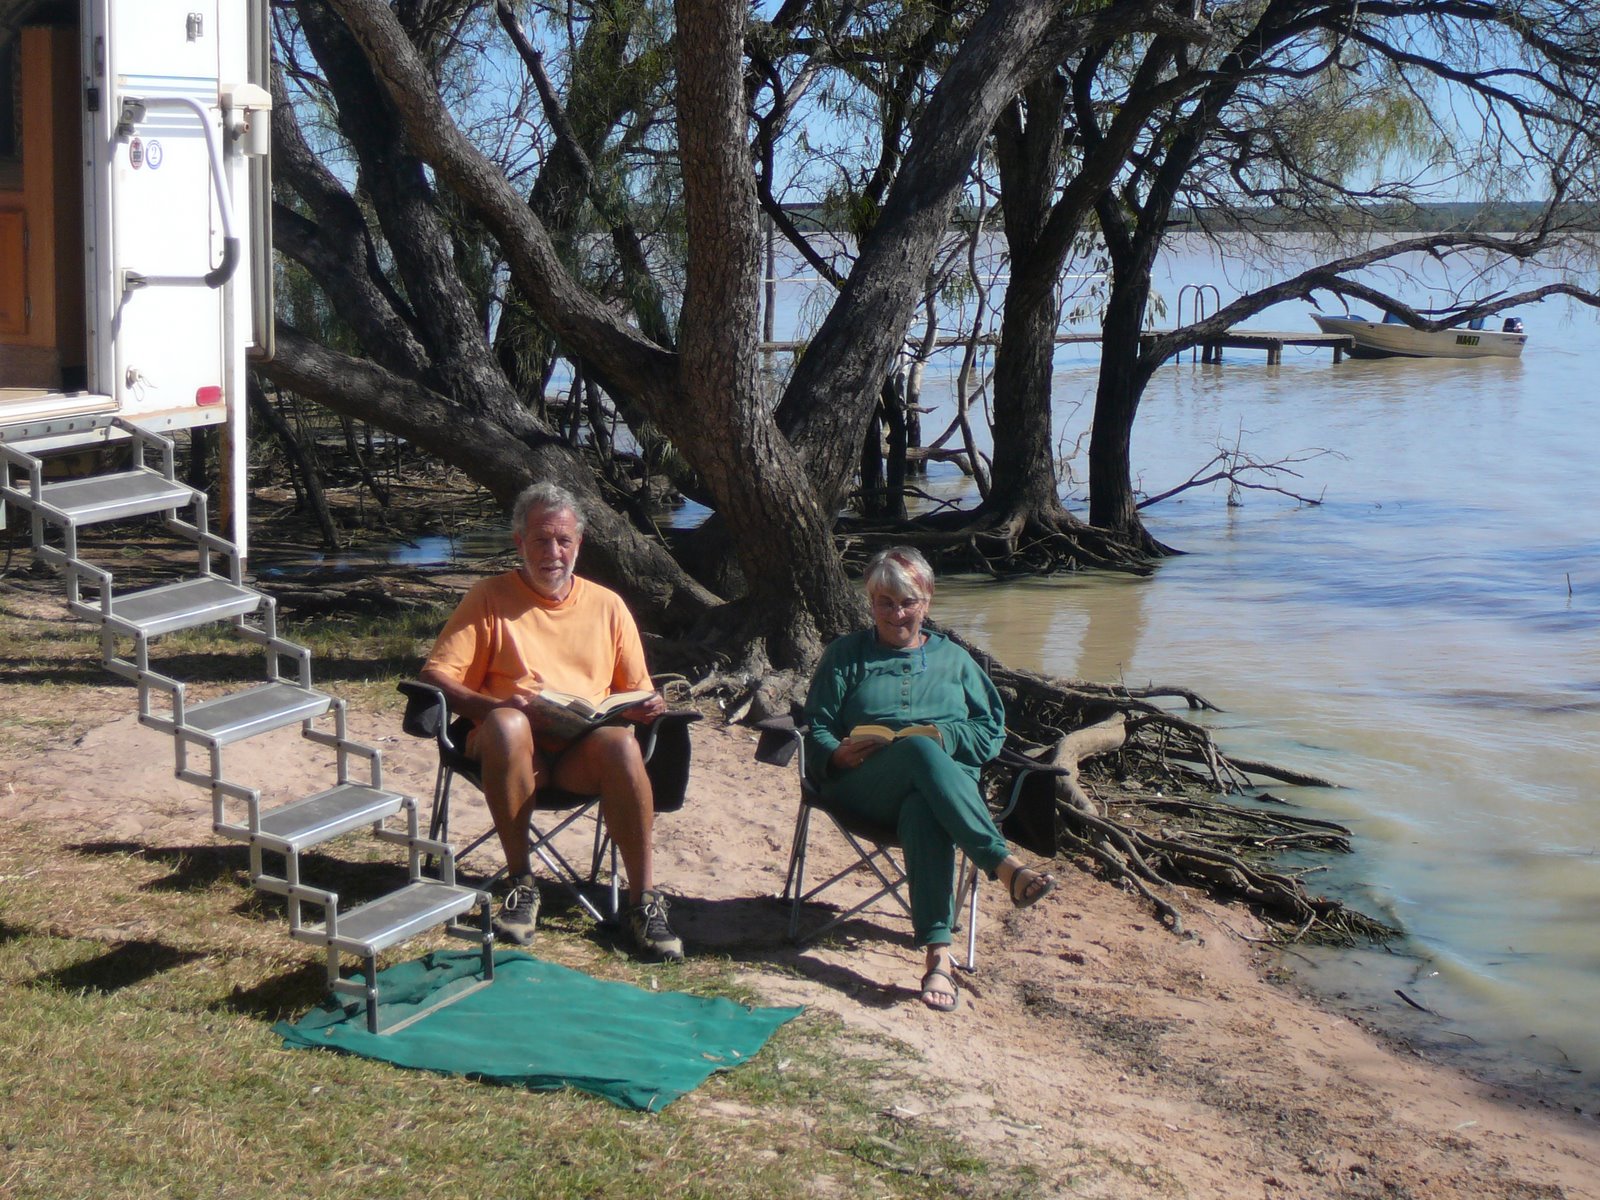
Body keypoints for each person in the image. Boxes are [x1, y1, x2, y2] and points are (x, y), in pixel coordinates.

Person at [419, 481, 682, 961]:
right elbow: (435, 676)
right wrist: (492, 708)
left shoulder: (607, 605)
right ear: (519, 543)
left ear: (579, 544)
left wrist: (646, 707)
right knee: (507, 725)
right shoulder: (489, 596)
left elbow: (636, 689)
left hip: (582, 752)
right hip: (511, 755)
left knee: (623, 744)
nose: (553, 552)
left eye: (563, 541)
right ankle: (522, 884)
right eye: (541, 539)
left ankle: (642, 901)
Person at [802, 546, 1055, 1012]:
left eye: (908, 602)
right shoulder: (844, 656)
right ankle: (1002, 864)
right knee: (916, 749)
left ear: (928, 601)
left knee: (924, 802)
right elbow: (815, 724)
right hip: (864, 787)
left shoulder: (956, 661)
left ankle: (939, 956)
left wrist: (946, 736)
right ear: (870, 603)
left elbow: (990, 733)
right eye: (885, 603)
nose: (897, 614)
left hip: (940, 798)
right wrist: (836, 753)